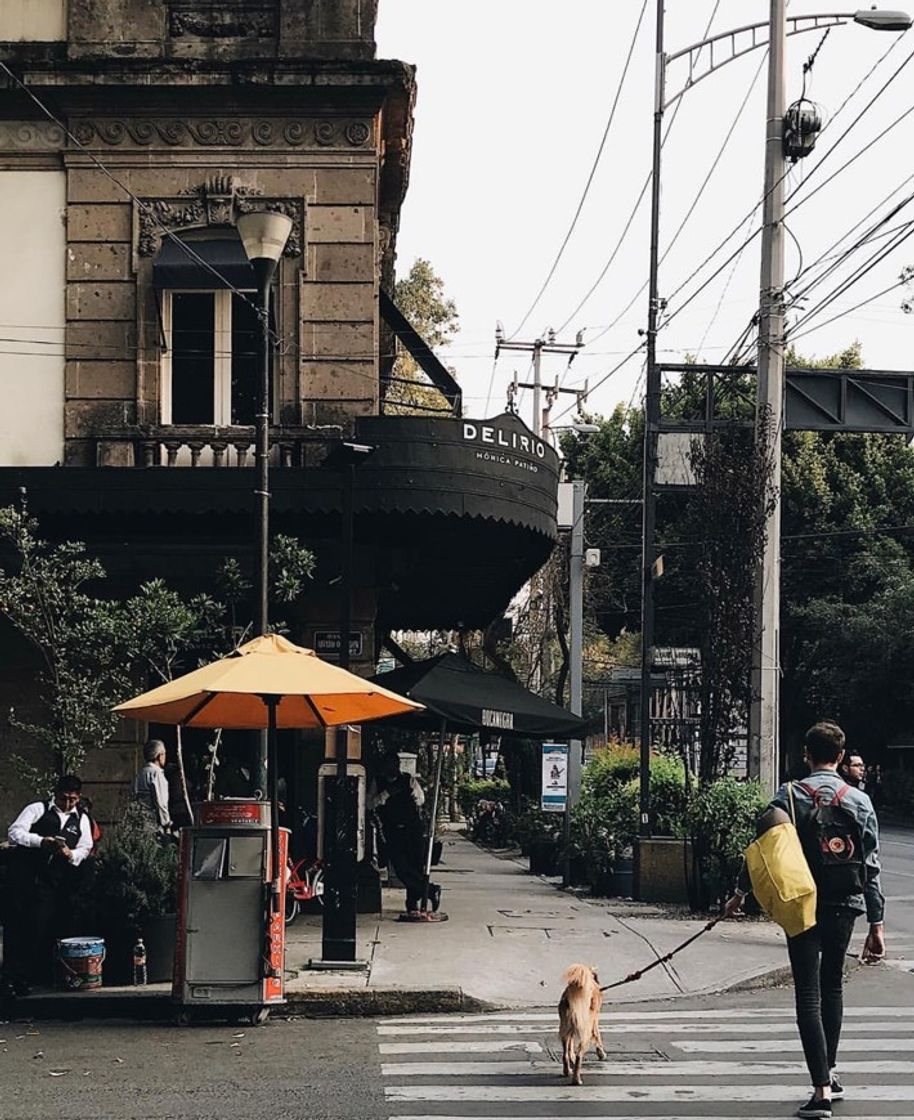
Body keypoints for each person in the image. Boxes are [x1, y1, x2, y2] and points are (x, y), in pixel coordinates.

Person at [725, 721, 885, 1120]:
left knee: (808, 995)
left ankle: (821, 1092)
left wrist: (740, 893)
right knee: (832, 987)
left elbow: (765, 852)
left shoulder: (789, 795)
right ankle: (829, 1072)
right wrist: (876, 924)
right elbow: (871, 865)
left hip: (801, 903)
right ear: (842, 758)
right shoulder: (859, 800)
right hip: (845, 904)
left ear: (807, 755)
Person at [3, 774, 93, 993]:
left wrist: (70, 854)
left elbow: (85, 846)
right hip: (25, 876)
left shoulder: (81, 819)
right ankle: (9, 978)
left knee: (39, 926)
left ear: (78, 798)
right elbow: (15, 832)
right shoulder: (38, 809)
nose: (67, 803)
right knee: (17, 927)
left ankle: (29, 977)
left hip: (52, 881)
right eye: (63, 798)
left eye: (72, 799)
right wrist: (41, 841)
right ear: (56, 794)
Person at [370, 753, 442, 916]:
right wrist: (386, 794)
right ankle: (430, 890)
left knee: (415, 866)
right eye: (389, 765)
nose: (393, 768)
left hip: (412, 828)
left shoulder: (408, 780)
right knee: (401, 868)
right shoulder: (378, 782)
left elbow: (420, 799)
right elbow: (370, 803)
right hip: (392, 830)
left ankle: (412, 903)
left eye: (395, 764)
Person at [133, 739, 173, 835]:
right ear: (159, 756)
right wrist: (166, 823)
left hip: (139, 822)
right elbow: (161, 802)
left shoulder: (139, 774)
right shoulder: (156, 774)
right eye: (164, 754)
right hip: (153, 824)